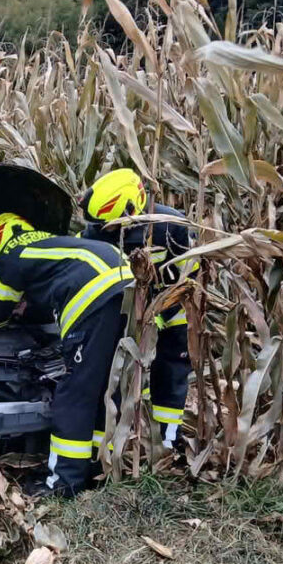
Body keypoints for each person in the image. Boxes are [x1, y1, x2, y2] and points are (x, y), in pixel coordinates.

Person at [0, 213, 133, 495]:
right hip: (124, 288)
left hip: (95, 292)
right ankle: (99, 467)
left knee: (76, 392)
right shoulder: (46, 247)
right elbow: (52, 283)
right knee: (105, 389)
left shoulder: (13, 254)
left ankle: (64, 484)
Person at [79, 168, 198, 449]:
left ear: (133, 208)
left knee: (170, 374)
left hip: (171, 311)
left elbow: (189, 273)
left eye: (111, 225)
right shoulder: (93, 231)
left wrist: (162, 310)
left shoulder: (171, 226)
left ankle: (167, 440)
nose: (105, 230)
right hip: (124, 313)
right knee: (115, 377)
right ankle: (108, 447)